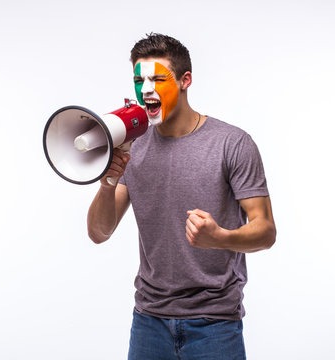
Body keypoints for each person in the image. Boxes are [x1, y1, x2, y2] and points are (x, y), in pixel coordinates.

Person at [87, 33, 276, 360]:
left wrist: (219, 237)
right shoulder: (132, 146)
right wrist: (108, 181)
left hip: (214, 322)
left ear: (185, 80)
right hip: (149, 320)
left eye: (158, 79)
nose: (146, 89)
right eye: (138, 80)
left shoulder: (231, 143)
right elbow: (98, 233)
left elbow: (266, 231)